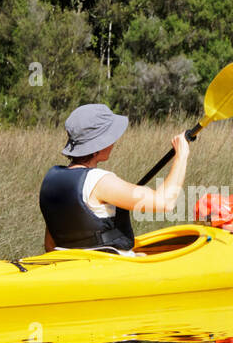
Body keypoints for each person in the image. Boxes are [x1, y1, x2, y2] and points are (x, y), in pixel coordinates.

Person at [39, 103, 190, 252]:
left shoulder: (53, 180)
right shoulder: (99, 181)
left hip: (69, 265)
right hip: (107, 268)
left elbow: (50, 246)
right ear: (99, 144)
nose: (113, 142)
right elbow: (165, 202)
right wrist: (181, 155)